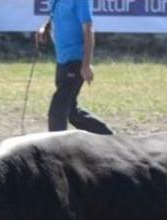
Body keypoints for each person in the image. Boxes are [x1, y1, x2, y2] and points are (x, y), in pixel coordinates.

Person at [36, 0, 112, 135]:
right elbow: (55, 16)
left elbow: (88, 30)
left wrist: (86, 65)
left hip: (75, 60)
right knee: (71, 110)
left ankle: (56, 144)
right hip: (62, 60)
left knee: (58, 108)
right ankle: (108, 137)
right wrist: (45, 28)